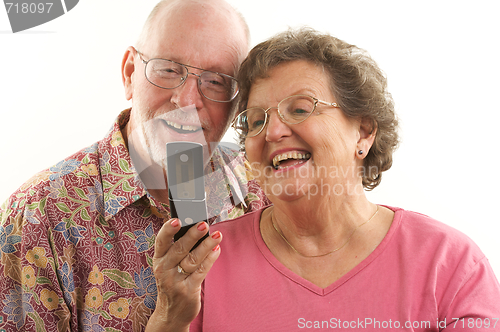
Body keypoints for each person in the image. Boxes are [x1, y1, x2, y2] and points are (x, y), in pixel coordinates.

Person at [152, 28, 500, 331]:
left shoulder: (450, 263)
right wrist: (169, 319)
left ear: (363, 133)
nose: (271, 131)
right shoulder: (206, 262)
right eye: (255, 120)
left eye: (301, 109)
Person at [0, 0, 270, 330]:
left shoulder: (260, 186)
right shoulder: (35, 219)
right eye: (169, 69)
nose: (186, 101)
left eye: (216, 81)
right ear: (129, 73)